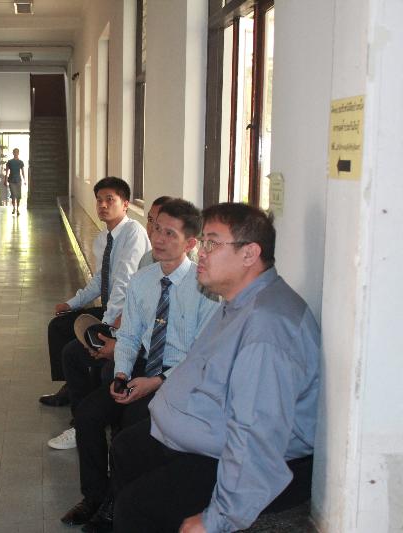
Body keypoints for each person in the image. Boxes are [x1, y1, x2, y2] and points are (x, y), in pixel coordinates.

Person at [111, 203, 321, 533]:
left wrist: (217, 519)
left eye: (211, 243)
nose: (202, 254)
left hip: (232, 456)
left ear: (250, 254)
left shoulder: (267, 328)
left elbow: (255, 436)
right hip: (203, 434)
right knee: (126, 449)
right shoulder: (239, 302)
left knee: (135, 508)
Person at [58, 199, 218, 529]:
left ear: (190, 243)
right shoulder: (142, 280)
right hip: (142, 368)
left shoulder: (205, 290)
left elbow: (201, 356)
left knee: (132, 425)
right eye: (156, 229)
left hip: (180, 379)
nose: (158, 238)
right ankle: (94, 497)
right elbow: (130, 336)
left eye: (170, 233)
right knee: (87, 415)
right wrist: (121, 373)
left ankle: (116, 507)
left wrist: (155, 383)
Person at [40, 178, 149, 433]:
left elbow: (123, 283)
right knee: (59, 326)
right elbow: (101, 279)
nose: (103, 205)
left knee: (74, 351)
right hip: (111, 310)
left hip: (126, 315)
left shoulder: (133, 233)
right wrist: (72, 303)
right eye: (99, 200)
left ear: (125, 204)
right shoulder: (104, 239)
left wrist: (107, 324)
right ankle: (71, 389)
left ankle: (84, 418)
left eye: (110, 200)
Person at [5, 148, 25, 214]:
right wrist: (5, 180)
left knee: (18, 196)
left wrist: (24, 180)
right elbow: (7, 172)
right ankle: (14, 208)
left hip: (18, 180)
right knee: (13, 195)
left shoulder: (20, 162)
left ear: (18, 153)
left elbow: (22, 172)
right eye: (14, 152)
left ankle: (18, 209)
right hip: (11, 180)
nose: (16, 153)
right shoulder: (9, 162)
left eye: (17, 152)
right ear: (13, 153)